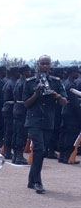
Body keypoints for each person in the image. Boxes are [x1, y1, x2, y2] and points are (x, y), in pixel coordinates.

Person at [22, 55, 67, 193]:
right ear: (38, 64)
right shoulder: (29, 82)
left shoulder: (56, 82)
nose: (45, 66)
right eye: (43, 63)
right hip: (34, 120)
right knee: (39, 149)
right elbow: (26, 103)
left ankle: (31, 179)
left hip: (48, 120)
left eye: (47, 63)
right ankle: (37, 182)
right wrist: (36, 94)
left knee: (42, 151)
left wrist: (56, 95)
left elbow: (64, 102)